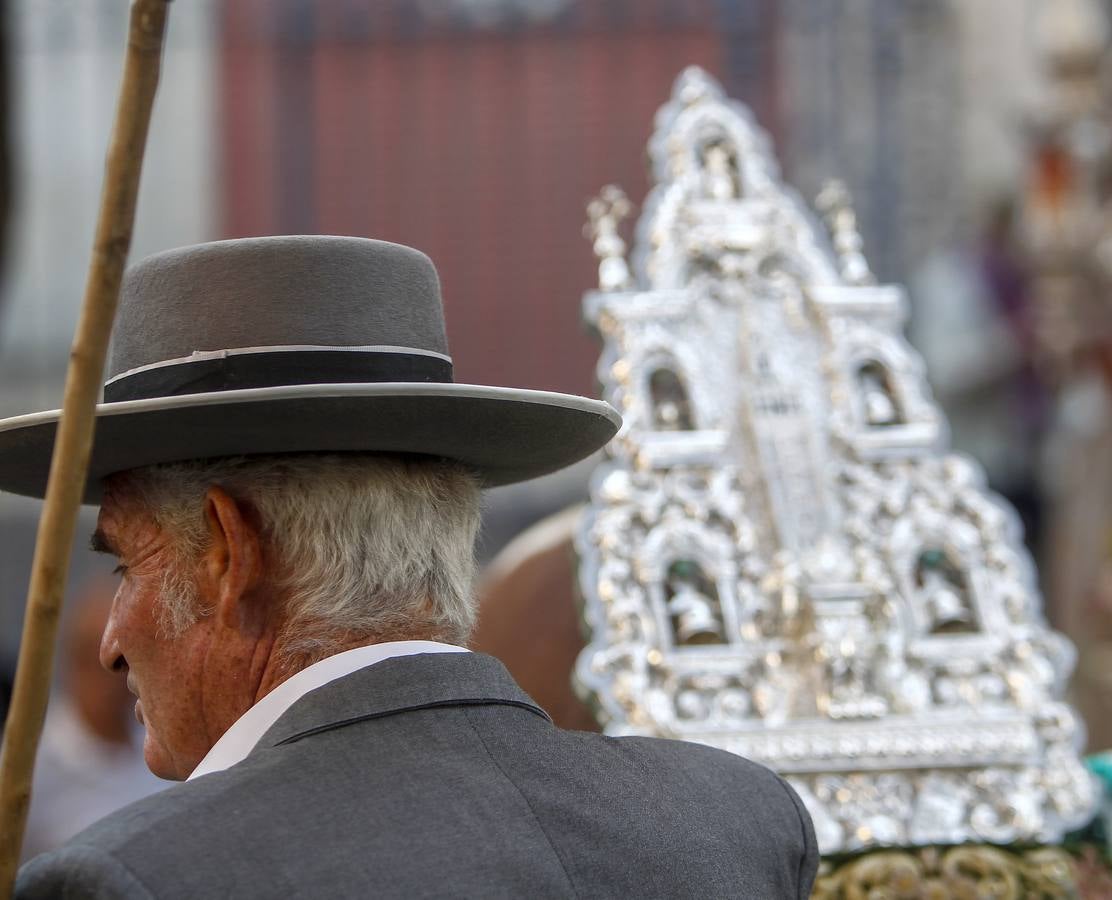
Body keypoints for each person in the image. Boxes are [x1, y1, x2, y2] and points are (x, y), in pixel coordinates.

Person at [3, 236, 817, 898]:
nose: (112, 640)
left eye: (126, 566)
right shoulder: (737, 816)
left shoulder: (140, 880)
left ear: (228, 554)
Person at [21, 576, 165, 860]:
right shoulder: (28, 767)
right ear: (70, 659)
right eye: (91, 657)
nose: (111, 676)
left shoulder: (166, 749)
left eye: (124, 661)